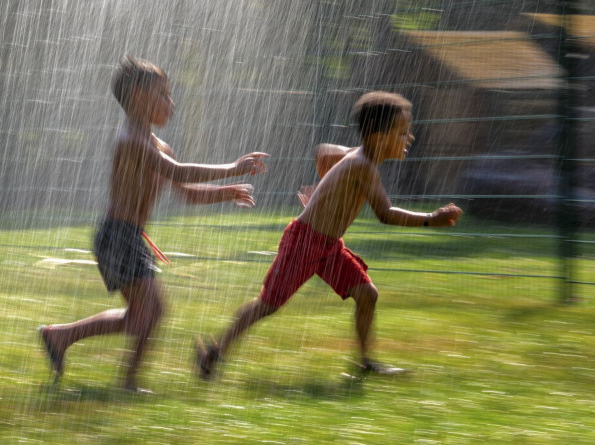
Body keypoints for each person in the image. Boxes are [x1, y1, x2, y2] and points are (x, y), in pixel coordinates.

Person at [39, 56, 268, 391]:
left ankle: (61, 336)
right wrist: (233, 167)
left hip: (129, 237)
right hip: (117, 236)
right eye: (164, 94)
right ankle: (126, 381)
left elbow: (186, 193)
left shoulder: (158, 146)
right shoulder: (130, 141)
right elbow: (179, 171)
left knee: (142, 315)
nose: (171, 103)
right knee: (150, 312)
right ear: (138, 96)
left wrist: (226, 192)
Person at [196, 91, 463, 379]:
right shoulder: (362, 165)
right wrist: (429, 220)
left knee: (367, 294)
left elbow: (323, 152)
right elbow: (384, 213)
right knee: (268, 304)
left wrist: (323, 189)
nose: (409, 138)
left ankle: (365, 363)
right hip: (304, 242)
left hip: (328, 246)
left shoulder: (355, 156)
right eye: (402, 132)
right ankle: (214, 352)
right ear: (377, 137)